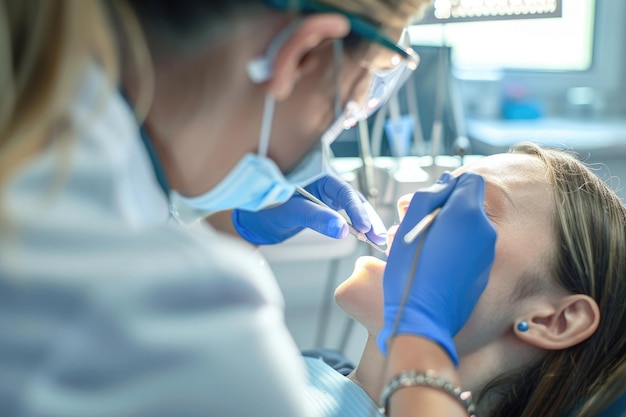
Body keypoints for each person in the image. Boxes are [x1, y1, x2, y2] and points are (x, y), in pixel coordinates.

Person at [0, 1, 496, 416]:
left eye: (477, 216)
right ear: (301, 55)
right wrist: (422, 333)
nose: (416, 203)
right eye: (349, 106)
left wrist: (224, 230)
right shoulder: (177, 309)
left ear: (556, 321)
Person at [330, 142, 626, 417]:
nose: (410, 202)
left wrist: (418, 325)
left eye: (470, 211)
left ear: (554, 321)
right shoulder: (312, 365)